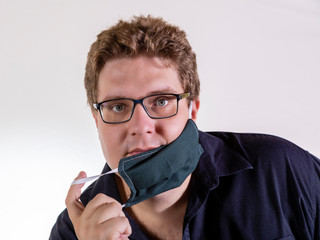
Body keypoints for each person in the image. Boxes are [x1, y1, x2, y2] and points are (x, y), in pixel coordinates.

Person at [49, 15, 320, 240]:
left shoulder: (281, 169)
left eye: (162, 101)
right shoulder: (75, 232)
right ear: (97, 120)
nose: (141, 126)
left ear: (193, 109)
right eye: (118, 106)